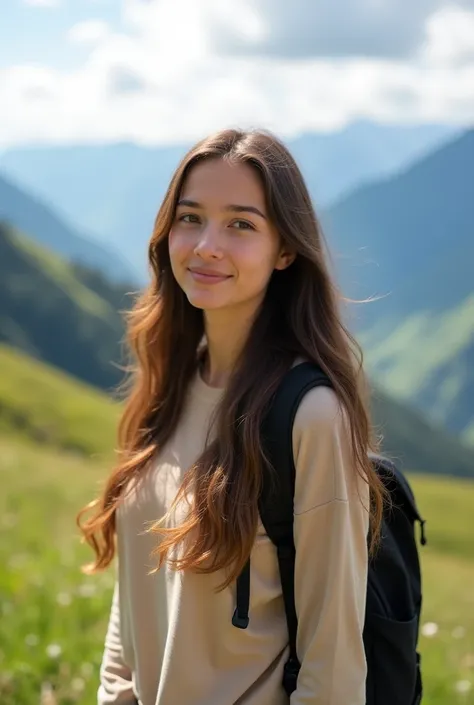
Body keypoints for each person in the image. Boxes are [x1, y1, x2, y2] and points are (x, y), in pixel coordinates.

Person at [78, 128, 386, 705]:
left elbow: (335, 670)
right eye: (190, 217)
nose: (206, 245)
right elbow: (135, 595)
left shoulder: (311, 416)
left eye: (241, 224)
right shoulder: (172, 381)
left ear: (286, 250)